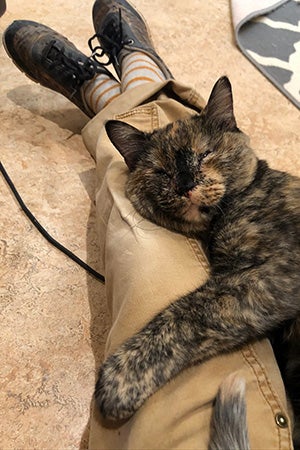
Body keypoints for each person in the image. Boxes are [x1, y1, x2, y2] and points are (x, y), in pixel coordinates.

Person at [3, 1, 294, 448]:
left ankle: (114, 92)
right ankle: (139, 81)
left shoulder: (271, 200)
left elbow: (280, 281)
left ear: (232, 136)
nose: (188, 187)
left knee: (139, 238)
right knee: (138, 204)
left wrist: (156, 347)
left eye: (207, 161)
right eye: (169, 177)